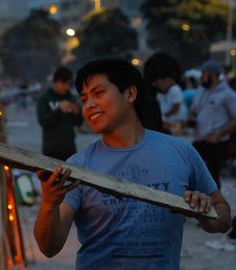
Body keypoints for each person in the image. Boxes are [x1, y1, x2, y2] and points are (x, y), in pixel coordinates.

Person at [34, 59, 231, 270]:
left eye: (98, 93)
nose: (88, 104)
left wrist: (202, 211)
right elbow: (49, 247)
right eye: (84, 98)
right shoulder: (79, 166)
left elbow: (224, 216)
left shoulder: (180, 152)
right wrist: (49, 203)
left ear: (130, 94)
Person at [188, 60, 236, 189]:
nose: (201, 77)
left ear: (213, 75)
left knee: (212, 177)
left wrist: (218, 134)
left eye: (203, 74)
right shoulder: (200, 90)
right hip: (199, 139)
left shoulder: (227, 94)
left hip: (216, 142)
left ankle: (215, 205)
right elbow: (193, 110)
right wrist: (191, 117)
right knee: (190, 172)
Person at [36, 66, 83, 160]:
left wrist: (76, 113)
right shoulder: (45, 99)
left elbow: (79, 122)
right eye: (64, 83)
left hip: (69, 148)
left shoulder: (71, 98)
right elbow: (43, 122)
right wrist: (60, 110)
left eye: (68, 84)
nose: (67, 87)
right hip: (51, 149)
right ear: (56, 82)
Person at [144, 52, 185, 135]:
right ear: (160, 75)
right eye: (171, 78)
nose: (173, 83)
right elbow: (152, 134)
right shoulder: (148, 101)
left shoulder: (147, 94)